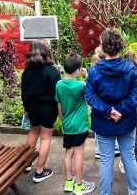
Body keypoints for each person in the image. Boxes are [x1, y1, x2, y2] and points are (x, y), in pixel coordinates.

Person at [86, 28, 137, 195]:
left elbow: (90, 95)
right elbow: (136, 95)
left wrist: (109, 111)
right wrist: (118, 111)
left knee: (105, 161)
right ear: (120, 46)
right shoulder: (131, 69)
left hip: (104, 122)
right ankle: (133, 192)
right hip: (126, 121)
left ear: (103, 46)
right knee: (129, 157)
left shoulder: (95, 70)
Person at [55, 53, 96, 194]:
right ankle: (79, 186)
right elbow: (92, 92)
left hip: (67, 125)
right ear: (78, 69)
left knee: (68, 153)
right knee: (79, 155)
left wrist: (63, 120)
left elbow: (59, 106)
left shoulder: (59, 85)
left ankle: (69, 182)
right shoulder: (81, 85)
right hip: (80, 126)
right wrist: (86, 76)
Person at [21, 41, 61, 182]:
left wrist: (26, 109)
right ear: (46, 52)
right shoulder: (52, 71)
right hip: (47, 109)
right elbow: (59, 93)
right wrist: (60, 111)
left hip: (32, 108)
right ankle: (39, 171)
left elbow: (24, 94)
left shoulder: (26, 72)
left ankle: (26, 164)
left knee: (33, 132)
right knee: (45, 137)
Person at [92, 46, 121, 159]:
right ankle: (114, 147)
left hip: (99, 104)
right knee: (113, 124)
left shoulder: (94, 69)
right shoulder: (111, 68)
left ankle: (99, 150)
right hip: (110, 102)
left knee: (99, 129)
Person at [119, 50, 137, 174]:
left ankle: (124, 163)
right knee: (133, 139)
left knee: (123, 140)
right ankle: (135, 161)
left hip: (123, 109)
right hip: (134, 111)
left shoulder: (121, 74)